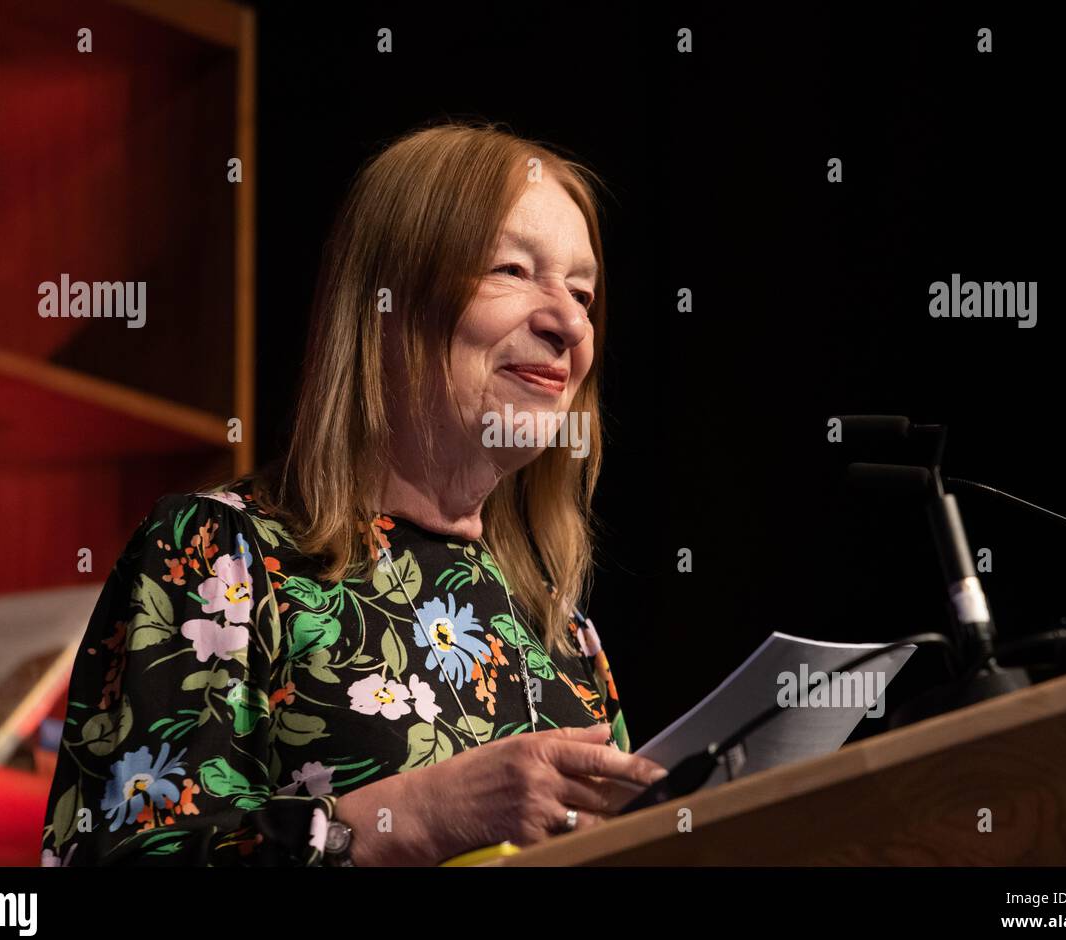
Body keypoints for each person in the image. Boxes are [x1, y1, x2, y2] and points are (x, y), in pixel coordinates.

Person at [39, 121, 666, 867]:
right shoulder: (224, 555)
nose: (569, 323)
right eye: (510, 269)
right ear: (387, 305)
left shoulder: (560, 629)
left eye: (583, 292)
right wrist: (421, 816)